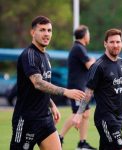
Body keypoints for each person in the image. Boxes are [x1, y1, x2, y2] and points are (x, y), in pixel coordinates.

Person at [10, 16, 85, 150]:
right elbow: (38, 83)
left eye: (49, 30)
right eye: (42, 30)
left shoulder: (46, 56)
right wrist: (66, 91)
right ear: (33, 33)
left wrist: (52, 104)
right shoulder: (29, 55)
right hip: (27, 120)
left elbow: (44, 87)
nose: (46, 34)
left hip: (45, 119)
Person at [72, 28, 122, 150]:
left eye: (118, 42)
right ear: (105, 43)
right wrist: (79, 114)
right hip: (105, 118)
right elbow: (88, 92)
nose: (115, 45)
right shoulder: (98, 66)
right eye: (112, 42)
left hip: (119, 117)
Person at [59, 25, 96, 150]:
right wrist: (95, 61)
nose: (89, 36)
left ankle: (82, 143)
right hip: (77, 88)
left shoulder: (80, 48)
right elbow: (90, 65)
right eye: (88, 34)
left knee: (85, 114)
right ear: (85, 35)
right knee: (77, 114)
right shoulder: (78, 48)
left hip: (81, 87)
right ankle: (59, 137)